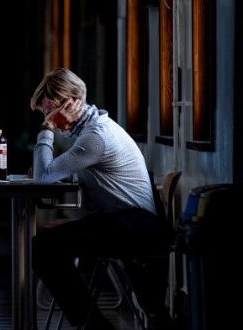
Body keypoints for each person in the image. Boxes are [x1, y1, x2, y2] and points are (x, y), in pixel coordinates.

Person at [29, 68, 169, 330]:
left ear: (68, 104)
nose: (48, 119)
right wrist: (51, 170)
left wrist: (46, 129)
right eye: (44, 115)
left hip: (136, 225)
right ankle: (92, 324)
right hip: (127, 221)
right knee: (46, 247)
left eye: (48, 112)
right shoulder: (91, 130)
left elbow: (42, 179)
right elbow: (50, 174)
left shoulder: (95, 136)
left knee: (42, 249)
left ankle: (94, 327)